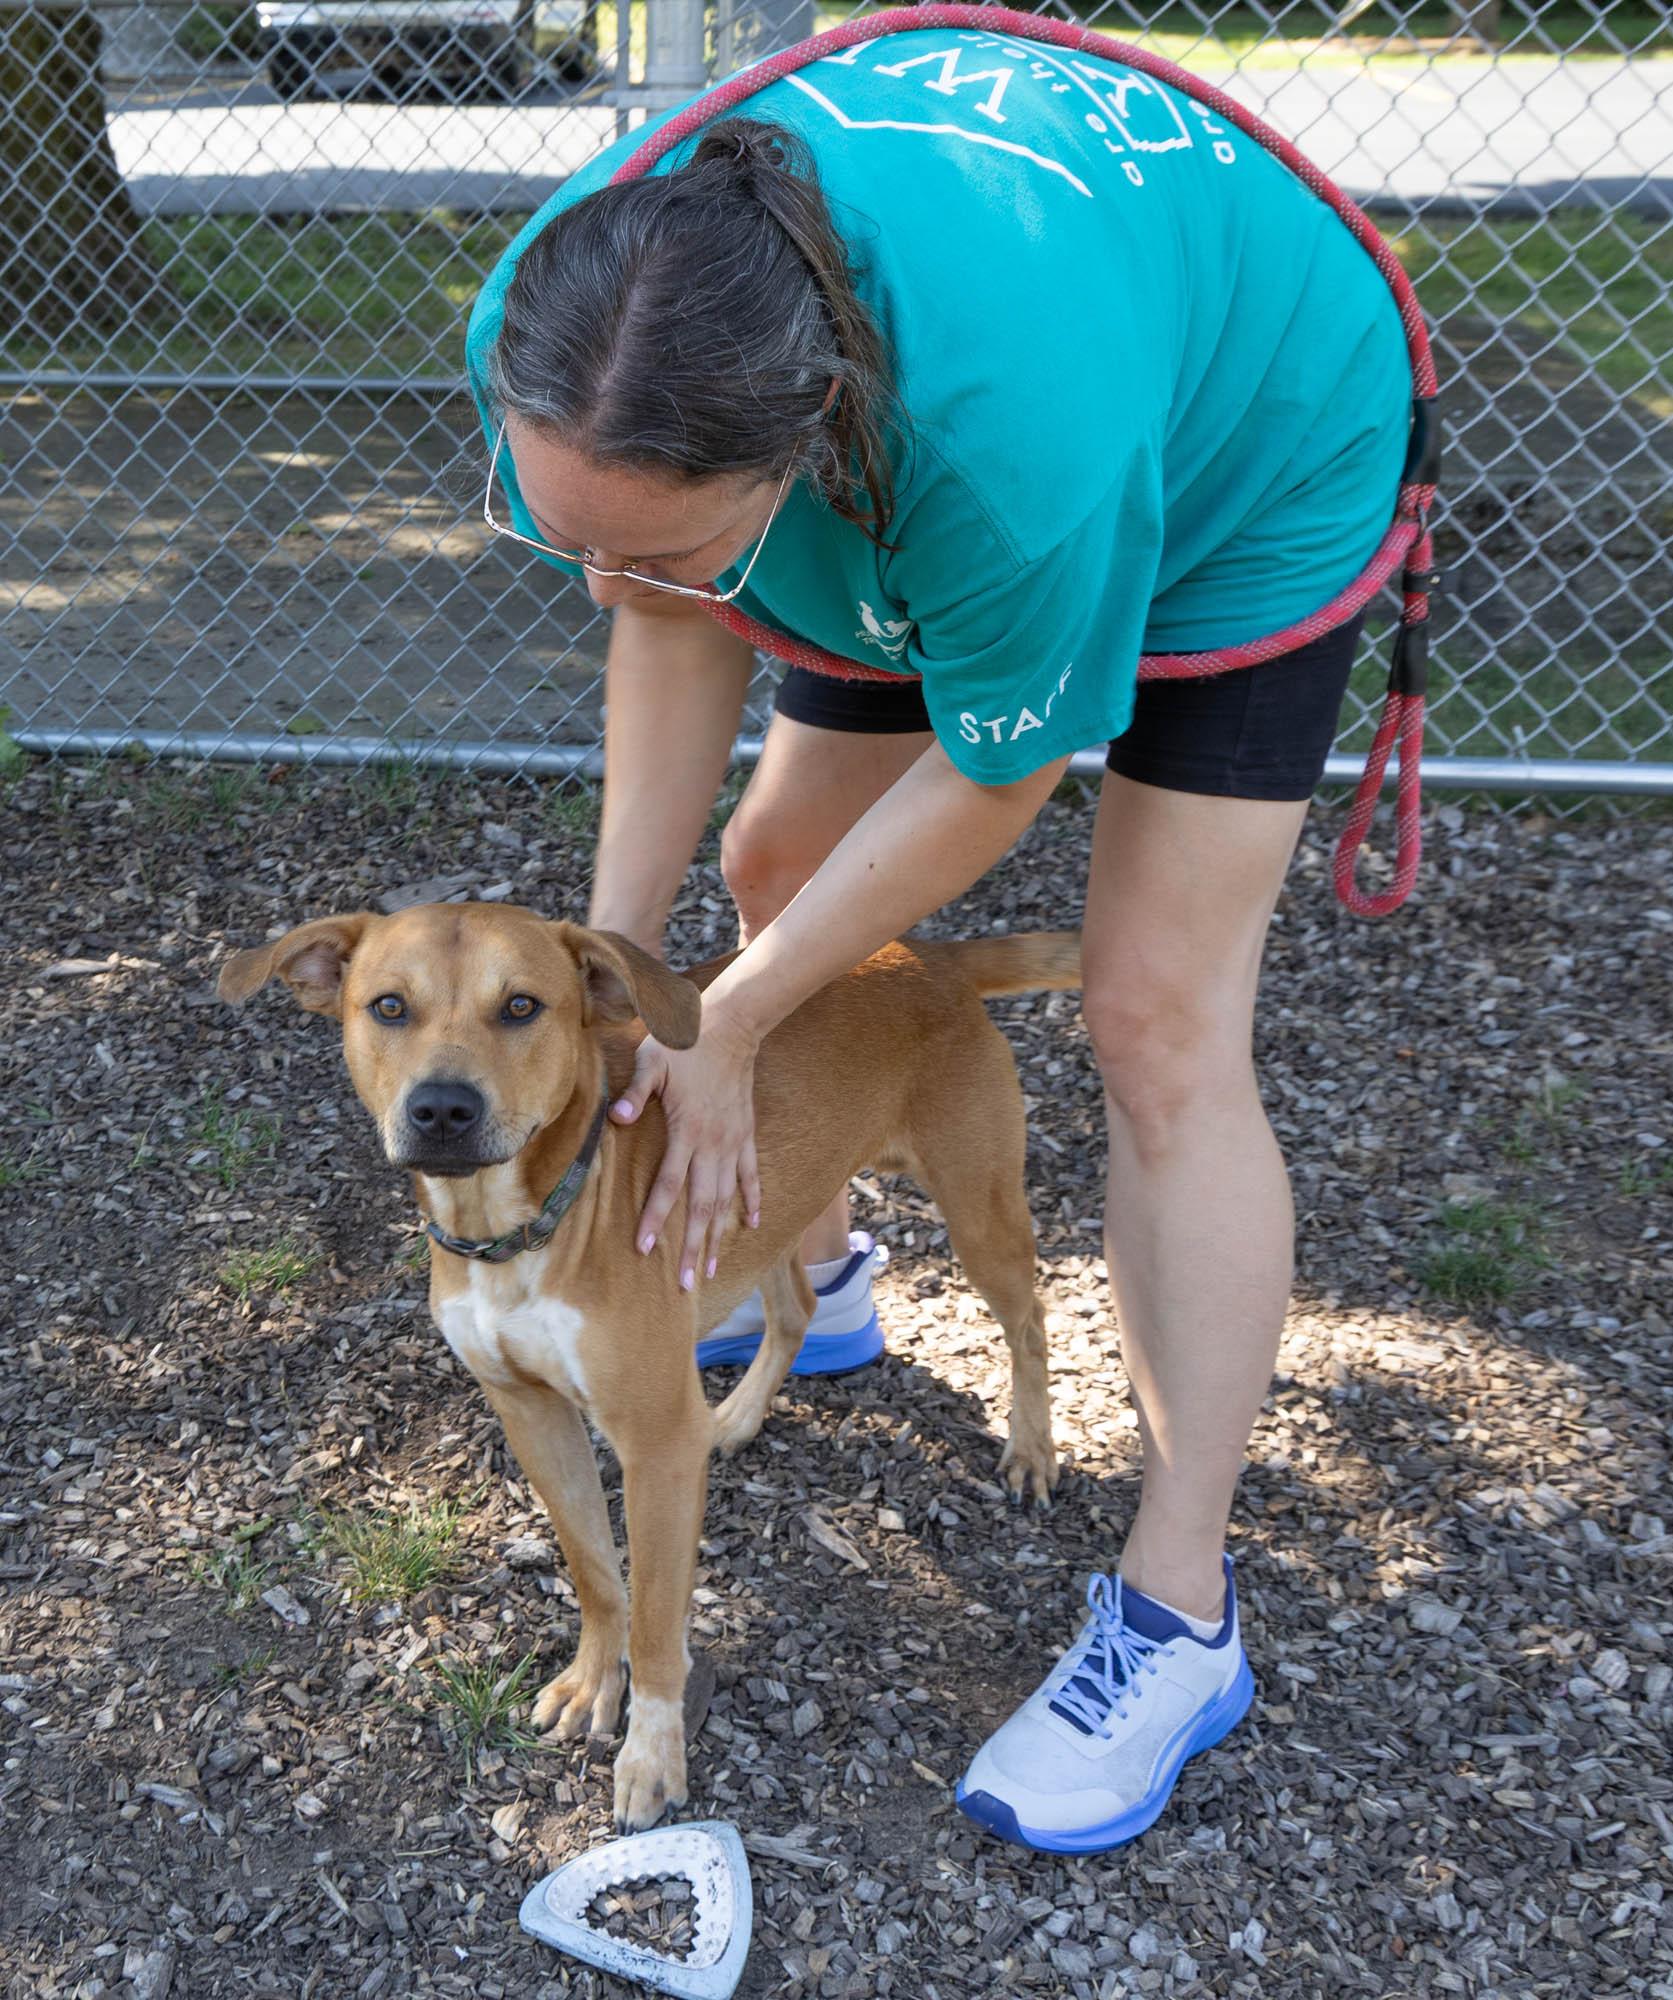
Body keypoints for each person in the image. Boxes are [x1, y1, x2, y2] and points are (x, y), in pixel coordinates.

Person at [466, 24, 1410, 1854]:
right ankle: (812, 1268)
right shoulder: (587, 307)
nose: (610, 572)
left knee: (1151, 1022)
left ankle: (1178, 1611)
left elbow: (1002, 769)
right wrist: (620, 978)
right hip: (926, 426)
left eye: (663, 541)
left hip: (1244, 450)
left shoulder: (1002, 447)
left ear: (810, 448)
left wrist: (728, 1030)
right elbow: (663, 611)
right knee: (775, 859)